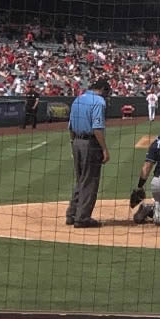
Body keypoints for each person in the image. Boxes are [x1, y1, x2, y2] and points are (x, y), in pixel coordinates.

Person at [66, 77, 110, 228]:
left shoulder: (78, 99)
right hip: (90, 143)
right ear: (103, 90)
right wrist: (104, 148)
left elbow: (70, 126)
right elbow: (97, 127)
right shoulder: (99, 101)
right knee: (90, 180)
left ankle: (72, 214)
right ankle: (82, 218)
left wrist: (73, 144)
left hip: (76, 142)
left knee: (80, 179)